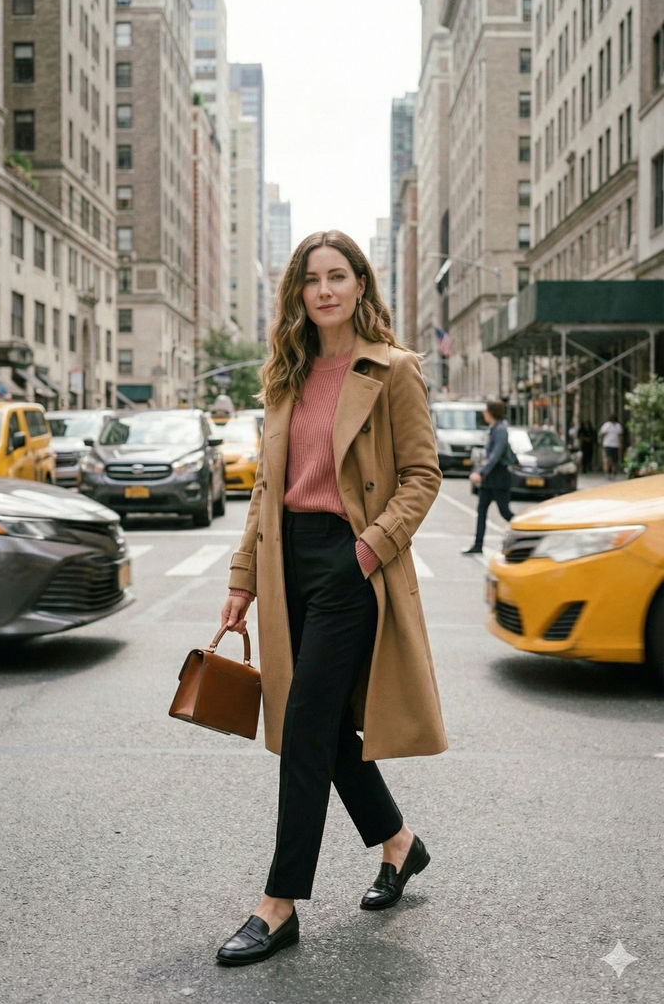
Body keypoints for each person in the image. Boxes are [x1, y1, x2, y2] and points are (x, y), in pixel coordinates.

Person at [215, 230, 448, 966]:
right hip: (289, 565)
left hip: (351, 565)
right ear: (299, 293)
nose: (324, 290)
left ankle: (278, 904)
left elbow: (422, 475)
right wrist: (242, 579)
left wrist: (368, 549)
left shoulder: (393, 369)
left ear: (360, 286)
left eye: (337, 276)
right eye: (312, 279)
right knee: (323, 728)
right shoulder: (284, 376)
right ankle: (399, 845)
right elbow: (262, 491)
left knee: (305, 723)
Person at [462, 399, 514, 555]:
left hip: (499, 477)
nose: (484, 413)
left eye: (485, 410)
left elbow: (495, 456)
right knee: (481, 511)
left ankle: (528, 532)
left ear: (491, 412)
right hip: (490, 479)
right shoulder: (493, 429)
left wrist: (480, 472)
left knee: (505, 512)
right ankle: (478, 545)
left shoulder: (500, 430)